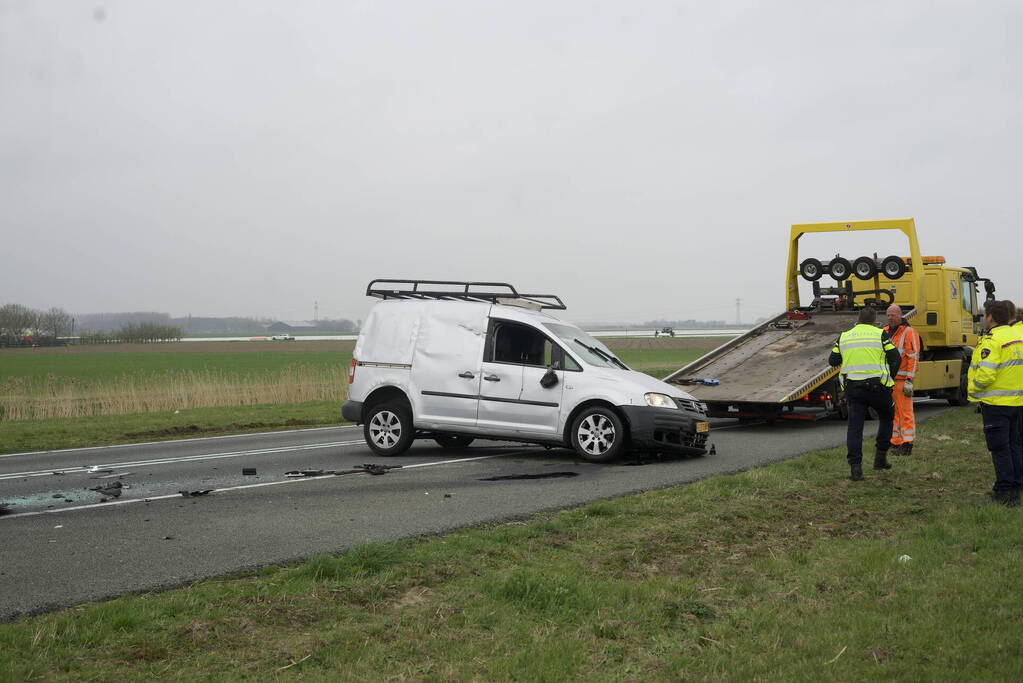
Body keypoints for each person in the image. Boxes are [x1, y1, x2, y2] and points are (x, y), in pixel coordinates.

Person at [829, 306, 901, 481]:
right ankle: (880, 458)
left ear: (858, 319)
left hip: (854, 389)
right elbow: (895, 357)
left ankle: (856, 469)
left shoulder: (844, 336)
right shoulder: (880, 334)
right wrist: (889, 377)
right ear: (874, 320)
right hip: (879, 387)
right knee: (886, 417)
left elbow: (833, 361)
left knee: (855, 427)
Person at [968, 300, 1023, 506]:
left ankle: (1004, 492)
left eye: (985, 315)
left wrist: (973, 388)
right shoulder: (1017, 335)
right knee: (1015, 445)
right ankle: (1017, 486)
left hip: (996, 403)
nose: (984, 319)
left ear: (991, 317)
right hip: (1017, 401)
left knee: (1000, 449)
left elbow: (986, 374)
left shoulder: (992, 340)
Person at [883, 304, 921, 455]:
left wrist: (909, 380)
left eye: (893, 315)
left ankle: (907, 443)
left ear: (900, 315)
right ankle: (895, 442)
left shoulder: (908, 332)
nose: (890, 318)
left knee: (905, 413)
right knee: (894, 414)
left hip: (902, 380)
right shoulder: (885, 331)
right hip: (890, 380)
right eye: (888, 315)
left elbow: (913, 357)